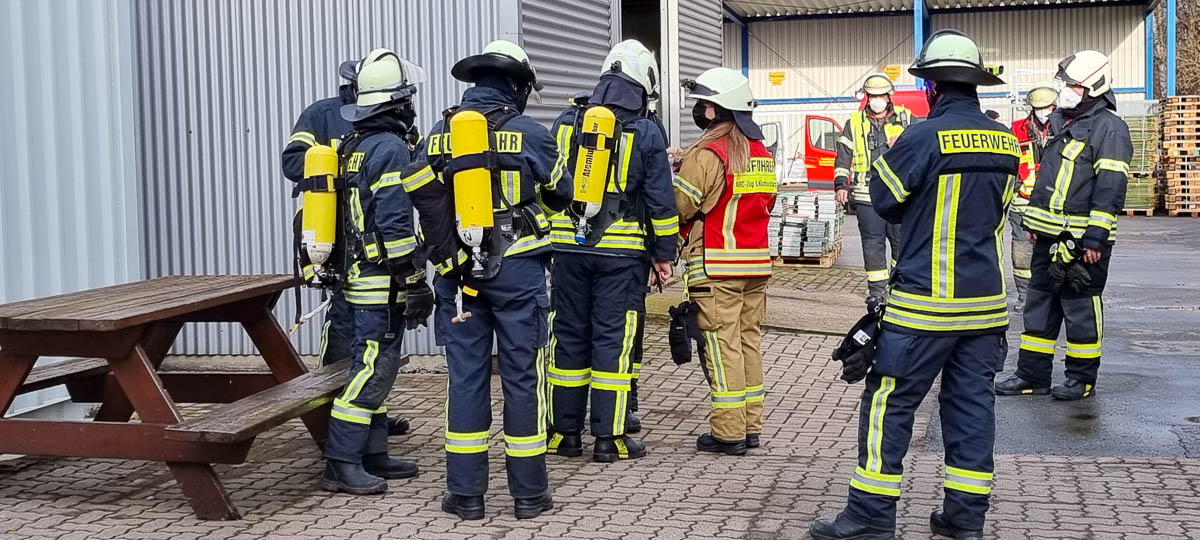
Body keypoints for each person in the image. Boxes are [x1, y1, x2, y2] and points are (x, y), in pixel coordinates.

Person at [810, 30, 1018, 540]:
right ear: (975, 84)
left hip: (924, 306)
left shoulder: (923, 137)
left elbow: (884, 200)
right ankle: (964, 520)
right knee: (971, 409)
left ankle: (869, 517)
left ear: (932, 87)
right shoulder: (1007, 141)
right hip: (986, 307)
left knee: (890, 405)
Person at [412, 40, 571, 520]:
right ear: (518, 87)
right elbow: (562, 192)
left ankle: (465, 496)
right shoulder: (530, 132)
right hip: (518, 271)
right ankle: (529, 495)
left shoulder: (439, 133)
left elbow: (418, 192)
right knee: (523, 378)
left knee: (465, 379)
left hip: (457, 274)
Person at [544, 39, 677, 462]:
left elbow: (549, 183)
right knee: (612, 342)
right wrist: (663, 254)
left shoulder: (566, 121)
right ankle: (609, 438)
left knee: (567, 338)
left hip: (568, 249)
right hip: (621, 257)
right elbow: (661, 200)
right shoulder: (646, 131)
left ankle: (563, 435)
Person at [321, 49, 433, 495]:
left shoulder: (353, 145)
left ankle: (373, 451)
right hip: (378, 282)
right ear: (397, 103)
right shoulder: (388, 148)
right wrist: (414, 280)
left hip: (354, 277)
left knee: (370, 365)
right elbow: (394, 224)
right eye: (408, 98)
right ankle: (342, 462)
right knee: (374, 368)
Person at [281, 58, 412, 438]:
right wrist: (338, 166)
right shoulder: (323, 114)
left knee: (373, 346)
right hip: (336, 241)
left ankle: (368, 424)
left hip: (369, 243)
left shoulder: (386, 128)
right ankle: (333, 426)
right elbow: (292, 162)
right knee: (344, 335)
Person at [996, 51, 1131, 401]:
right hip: (1048, 236)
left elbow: (1110, 187)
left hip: (1083, 242)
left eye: (1073, 85)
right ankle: (1032, 376)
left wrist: (1096, 238)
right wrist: (1033, 222)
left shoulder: (1109, 128)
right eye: (1066, 84)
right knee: (1038, 306)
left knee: (1080, 309)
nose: (1066, 90)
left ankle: (1081, 379)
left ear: (1093, 87)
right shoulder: (1062, 122)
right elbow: (1046, 180)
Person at [673, 67, 776, 456]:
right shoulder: (761, 154)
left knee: (722, 346)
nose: (700, 110)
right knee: (749, 342)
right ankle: (751, 426)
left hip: (717, 265)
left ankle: (728, 432)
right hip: (756, 265)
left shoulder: (707, 154)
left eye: (703, 103)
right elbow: (766, 203)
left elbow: (681, 206)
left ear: (715, 110)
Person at [833, 74, 914, 310]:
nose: (877, 100)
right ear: (866, 97)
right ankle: (877, 292)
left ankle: (899, 287)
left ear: (889, 96)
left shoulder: (906, 118)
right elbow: (843, 155)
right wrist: (841, 184)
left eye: (881, 96)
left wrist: (902, 143)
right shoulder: (854, 122)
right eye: (872, 96)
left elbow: (920, 149)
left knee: (902, 243)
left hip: (899, 195)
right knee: (872, 245)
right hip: (866, 196)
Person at [1007, 83, 1058, 311]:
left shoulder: (1065, 128)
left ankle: (1052, 294)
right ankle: (1025, 295)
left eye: (1047, 107)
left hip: (1054, 203)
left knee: (1054, 249)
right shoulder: (1016, 130)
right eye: (1039, 108)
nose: (1043, 112)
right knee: (1022, 253)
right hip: (1023, 203)